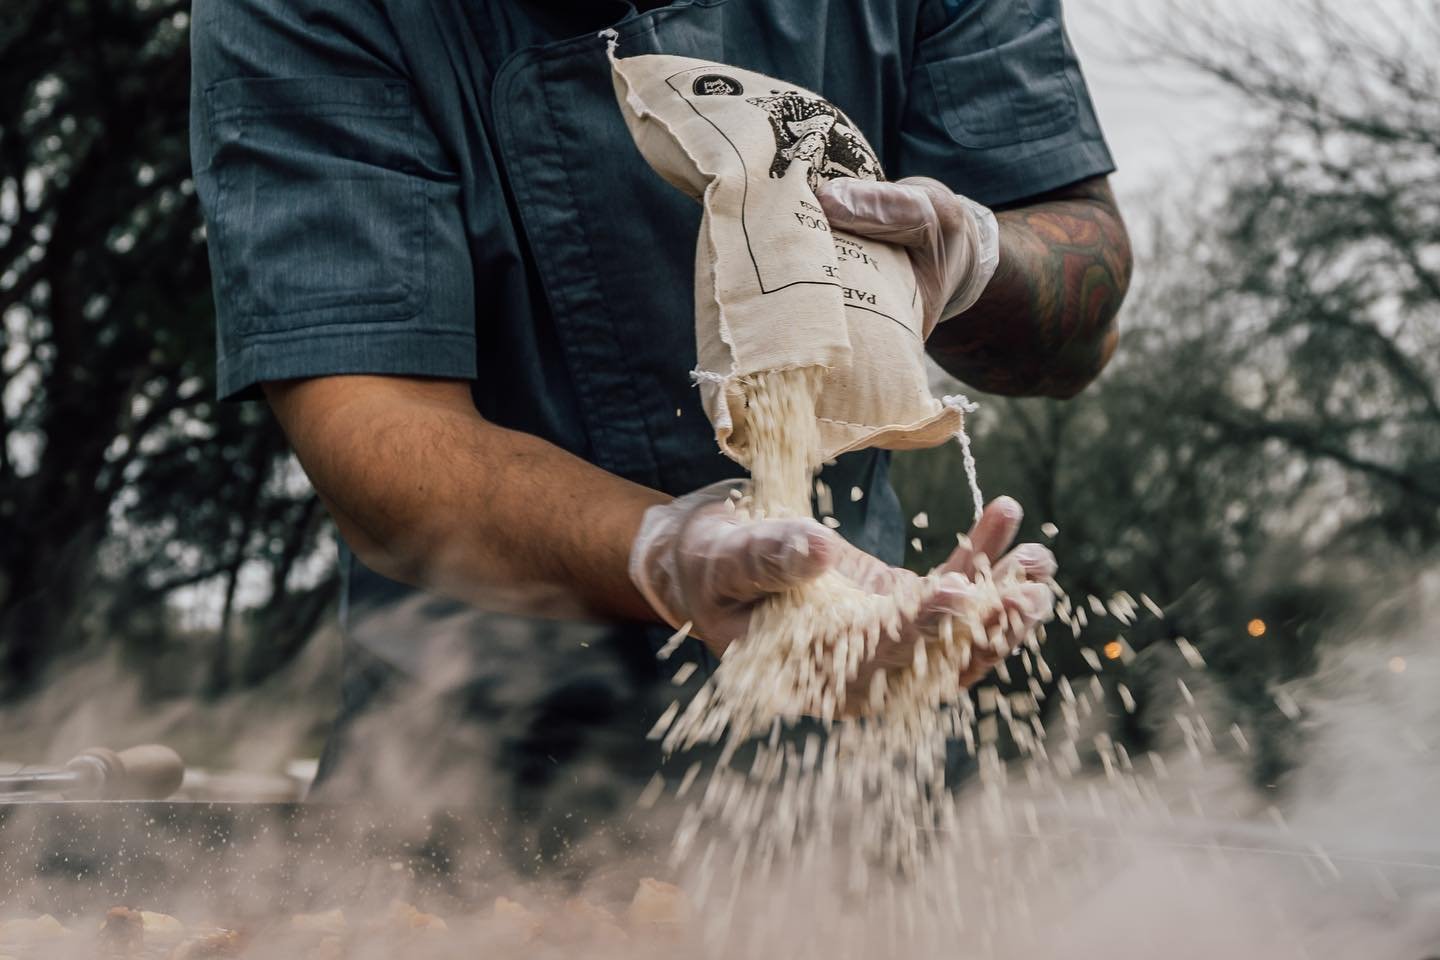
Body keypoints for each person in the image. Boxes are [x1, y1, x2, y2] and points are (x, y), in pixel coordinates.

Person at [189, 0, 1132, 869]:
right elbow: (373, 424)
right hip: (463, 779)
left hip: (867, 728)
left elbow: (1077, 325)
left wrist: (975, 259)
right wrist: (670, 551)